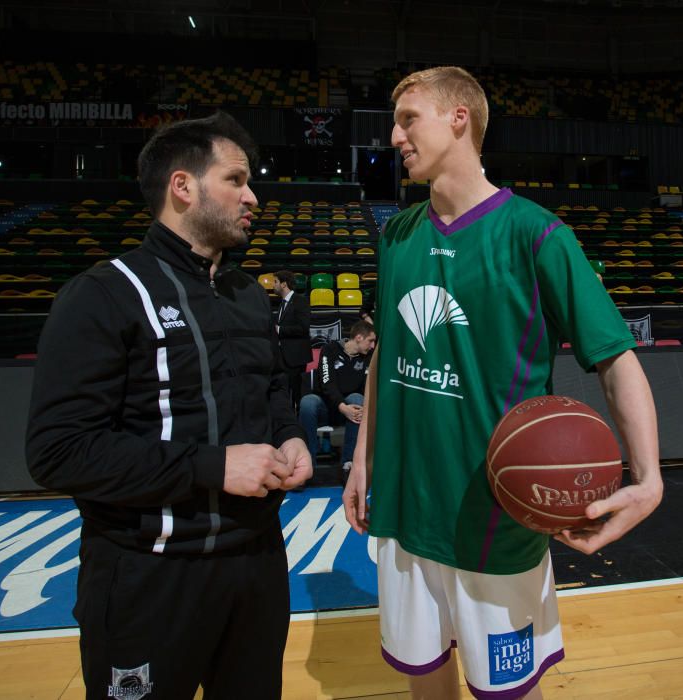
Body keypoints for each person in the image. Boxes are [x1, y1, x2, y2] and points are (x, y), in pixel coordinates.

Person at [342, 67, 662, 700]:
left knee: (507, 694)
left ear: (460, 118)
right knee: (423, 683)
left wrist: (648, 478)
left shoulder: (537, 233)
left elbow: (616, 358)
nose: (395, 137)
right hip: (405, 511)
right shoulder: (398, 234)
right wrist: (363, 457)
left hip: (494, 518)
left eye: (409, 120)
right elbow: (387, 353)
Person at [25, 111, 312, 700]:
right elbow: (58, 452)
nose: (252, 196)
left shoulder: (246, 294)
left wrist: (289, 435)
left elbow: (269, 392)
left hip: (257, 566)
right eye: (236, 180)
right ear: (183, 186)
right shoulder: (105, 294)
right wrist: (213, 466)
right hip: (149, 574)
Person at [298, 319, 376, 480]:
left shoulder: (368, 358)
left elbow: (366, 390)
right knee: (308, 402)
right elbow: (327, 383)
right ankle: (307, 465)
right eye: (371, 341)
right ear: (359, 337)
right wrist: (342, 407)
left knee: (357, 399)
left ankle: (348, 464)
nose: (373, 346)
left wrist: (348, 408)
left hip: (349, 410)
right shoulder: (330, 349)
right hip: (326, 406)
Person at [273, 269, 313, 411]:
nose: (273, 285)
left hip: (295, 357)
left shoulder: (300, 301)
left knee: (297, 393)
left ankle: (301, 423)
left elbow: (303, 327)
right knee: (284, 392)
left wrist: (279, 330)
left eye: (275, 281)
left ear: (284, 284)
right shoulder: (282, 303)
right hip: (283, 356)